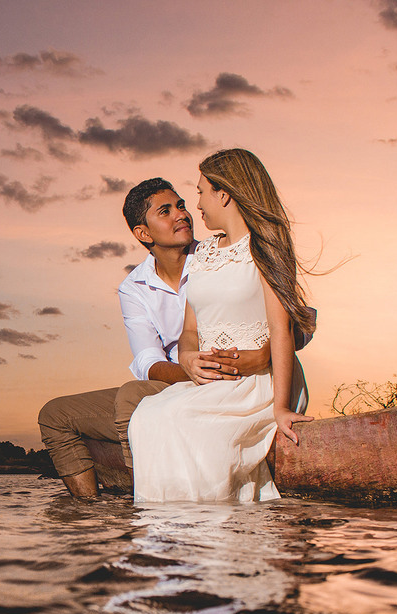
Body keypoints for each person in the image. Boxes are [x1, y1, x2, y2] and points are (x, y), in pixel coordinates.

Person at [38, 177, 310, 498]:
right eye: (165, 211)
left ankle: (150, 502)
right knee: (54, 414)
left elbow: (300, 323)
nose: (181, 214)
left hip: (237, 374)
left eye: (181, 205)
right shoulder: (135, 287)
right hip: (176, 378)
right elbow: (147, 360)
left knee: (131, 398)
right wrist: (193, 367)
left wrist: (254, 357)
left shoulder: (220, 253)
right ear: (143, 233)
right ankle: (90, 512)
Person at [128, 149, 315, 503]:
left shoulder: (265, 248)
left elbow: (281, 331)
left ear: (224, 194)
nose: (194, 206)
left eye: (200, 192)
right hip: (213, 382)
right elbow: (189, 331)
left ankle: (213, 531)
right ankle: (175, 536)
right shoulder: (203, 254)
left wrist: (281, 408)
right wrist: (187, 359)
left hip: (258, 383)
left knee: (182, 420)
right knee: (147, 417)